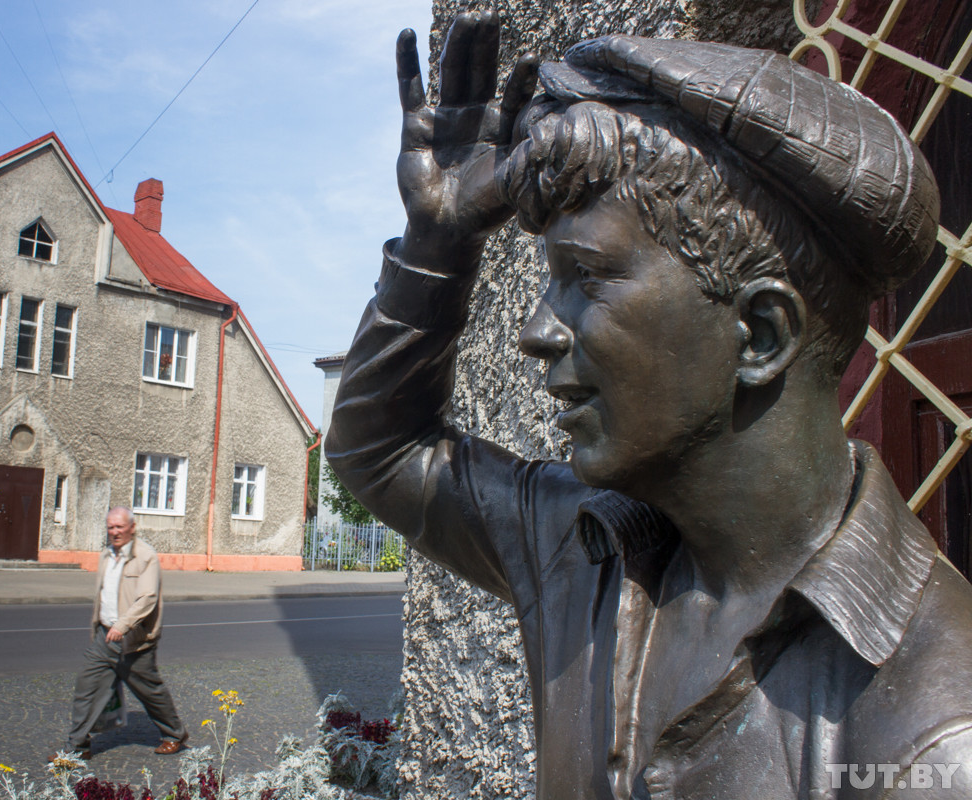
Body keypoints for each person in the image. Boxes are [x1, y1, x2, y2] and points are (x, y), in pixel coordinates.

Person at [325, 11, 972, 799]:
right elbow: (381, 450)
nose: (535, 331)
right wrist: (438, 240)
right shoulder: (582, 550)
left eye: (586, 278)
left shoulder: (934, 737)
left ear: (760, 333)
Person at [56, 506, 188, 759]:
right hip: (104, 636)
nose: (114, 532)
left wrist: (122, 625)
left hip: (133, 640)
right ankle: (77, 747)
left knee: (149, 691)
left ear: (132, 528)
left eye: (119, 527)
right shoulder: (106, 555)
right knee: (87, 687)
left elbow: (147, 598)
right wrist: (102, 625)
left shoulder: (145, 556)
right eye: (110, 527)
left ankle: (175, 734)